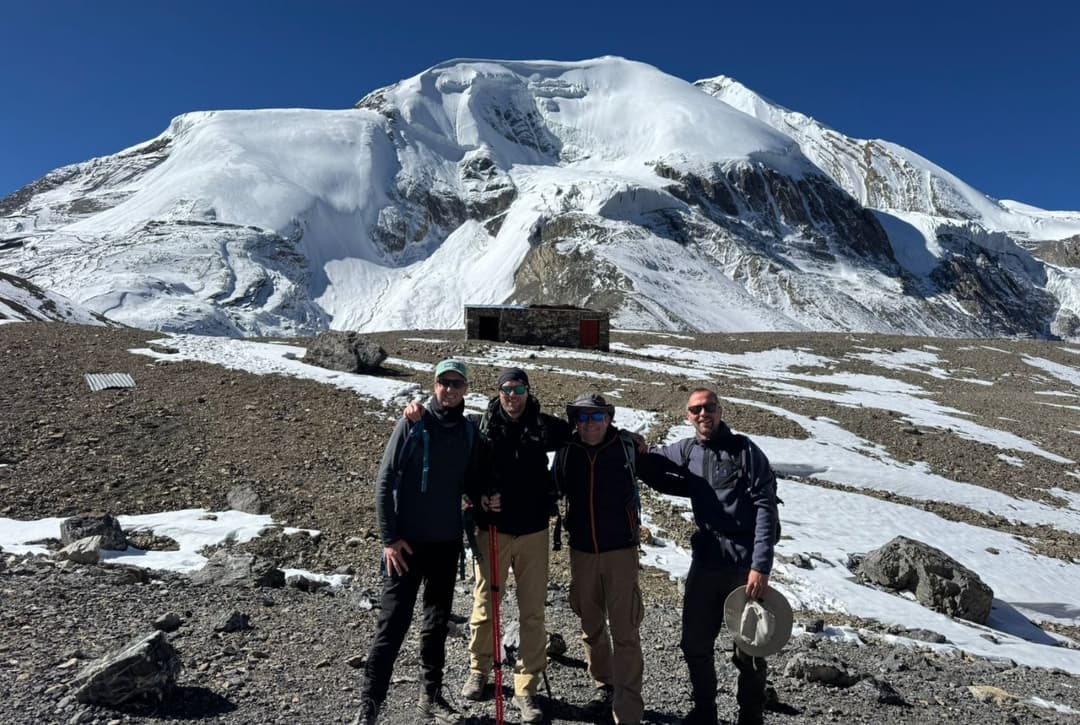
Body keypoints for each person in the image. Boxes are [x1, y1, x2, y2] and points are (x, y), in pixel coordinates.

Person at [405, 367, 569, 724]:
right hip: (491, 529)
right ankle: (479, 669)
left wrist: (628, 438)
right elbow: (462, 468)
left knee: (532, 611)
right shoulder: (480, 426)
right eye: (507, 389)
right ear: (499, 392)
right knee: (485, 601)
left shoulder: (544, 425)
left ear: (528, 391)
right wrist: (479, 498)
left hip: (534, 530)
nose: (513, 395)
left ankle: (526, 688)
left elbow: (585, 431)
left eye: (519, 388)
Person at [353, 359, 486, 725]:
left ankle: (431, 696)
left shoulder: (469, 432)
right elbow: (385, 481)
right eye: (444, 382)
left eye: (457, 383)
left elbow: (472, 480)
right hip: (406, 546)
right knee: (392, 624)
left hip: (445, 544)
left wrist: (485, 500)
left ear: (466, 389)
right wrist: (390, 538)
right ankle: (370, 704)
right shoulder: (412, 423)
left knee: (436, 625)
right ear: (434, 384)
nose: (450, 389)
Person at [649, 387, 780, 725]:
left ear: (721, 410)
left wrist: (760, 566)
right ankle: (704, 711)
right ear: (687, 416)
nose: (703, 414)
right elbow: (654, 461)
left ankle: (750, 717)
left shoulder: (746, 451)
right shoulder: (688, 449)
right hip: (706, 559)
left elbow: (766, 509)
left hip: (742, 563)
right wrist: (632, 445)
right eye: (695, 410)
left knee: (749, 648)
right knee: (694, 641)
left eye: (709, 407)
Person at [552, 393, 683, 725]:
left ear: (609, 419)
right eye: (583, 417)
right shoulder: (568, 451)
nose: (590, 424)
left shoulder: (625, 450)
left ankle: (627, 711)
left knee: (625, 631)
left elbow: (663, 475)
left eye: (597, 417)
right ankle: (604, 685)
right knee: (590, 624)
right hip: (581, 551)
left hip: (621, 553)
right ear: (575, 421)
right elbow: (549, 490)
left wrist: (713, 491)